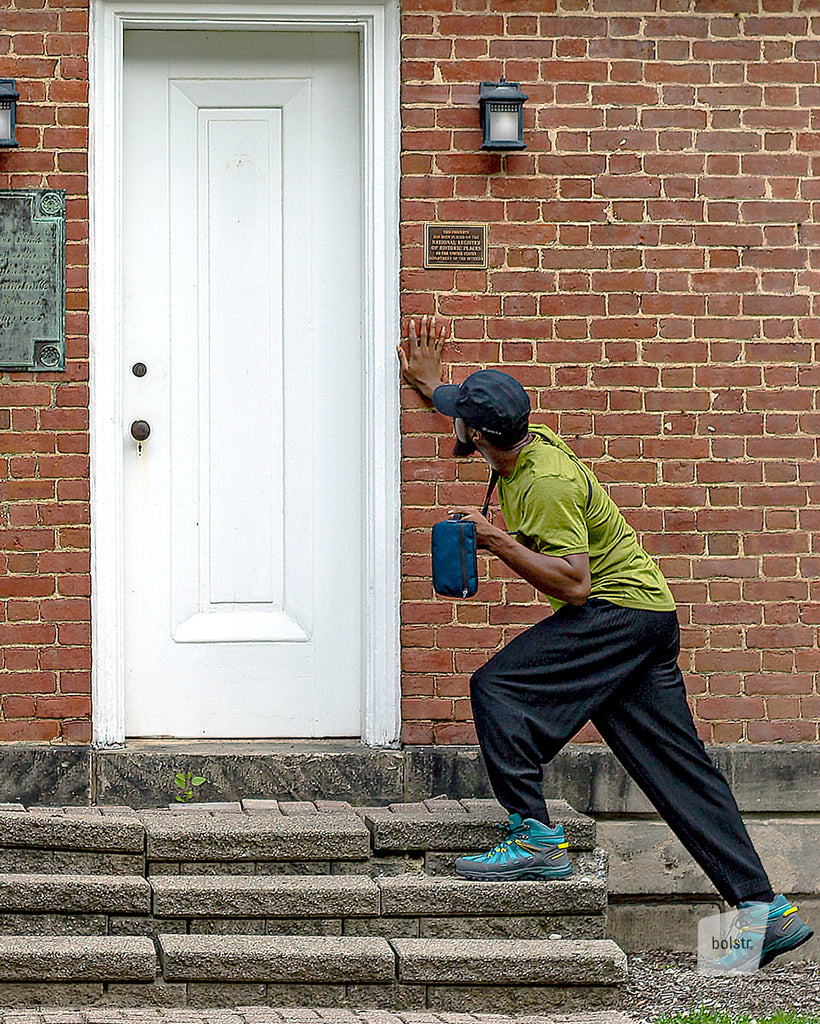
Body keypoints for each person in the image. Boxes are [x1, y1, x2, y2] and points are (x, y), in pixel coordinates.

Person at [397, 314, 814, 972]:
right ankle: (767, 913)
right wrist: (432, 383)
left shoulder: (545, 484)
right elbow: (466, 412)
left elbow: (576, 587)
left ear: (479, 436)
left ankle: (536, 838)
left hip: (618, 613)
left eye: (463, 420)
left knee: (498, 687)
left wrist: (496, 540)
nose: (457, 423)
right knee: (675, 769)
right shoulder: (523, 442)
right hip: (651, 616)